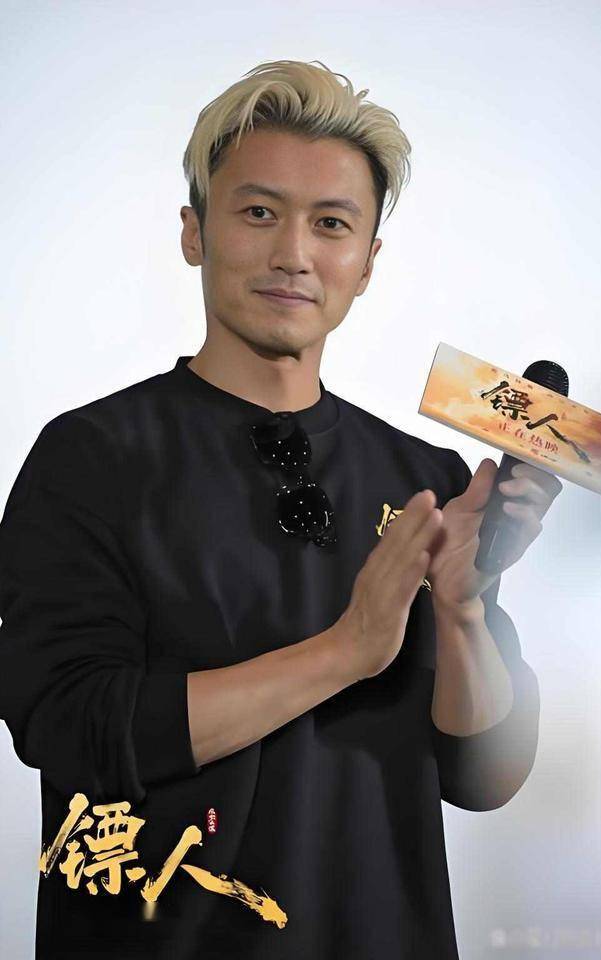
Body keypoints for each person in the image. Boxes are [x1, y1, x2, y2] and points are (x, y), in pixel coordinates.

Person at [0, 59, 561, 960]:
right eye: (259, 212)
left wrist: (459, 612)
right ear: (194, 231)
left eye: (331, 223)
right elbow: (71, 726)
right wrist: (345, 651)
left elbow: (482, 774)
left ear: (367, 262)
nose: (294, 254)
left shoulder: (425, 476)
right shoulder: (91, 457)